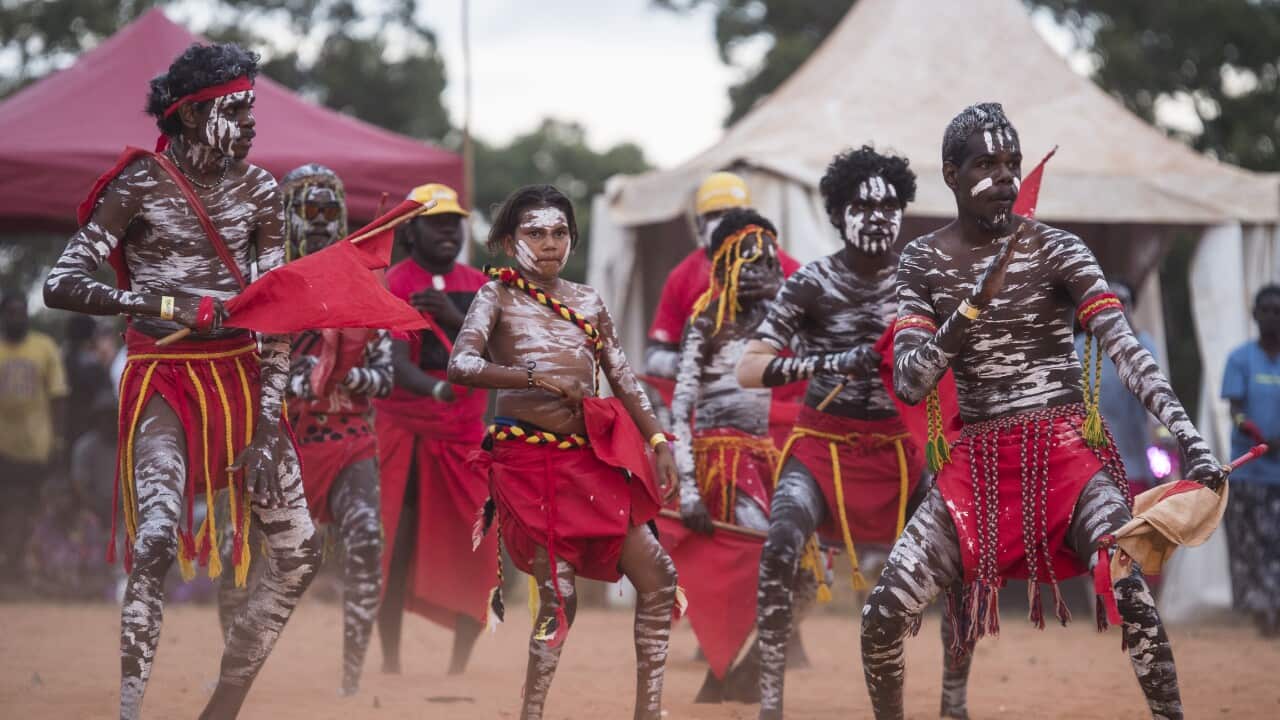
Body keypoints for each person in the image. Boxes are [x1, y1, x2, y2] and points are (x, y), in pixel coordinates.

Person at [861, 102, 1227, 720]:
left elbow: (1124, 348)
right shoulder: (923, 261)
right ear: (951, 174)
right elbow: (911, 378)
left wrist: (1191, 439)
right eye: (986, 163)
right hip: (972, 468)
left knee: (1131, 591)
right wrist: (973, 306)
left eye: (1012, 164)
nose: (1004, 177)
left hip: (1064, 456)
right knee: (880, 619)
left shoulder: (1060, 248)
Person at [43, 43, 320, 719]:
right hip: (163, 377)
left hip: (242, 378)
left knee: (299, 552)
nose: (252, 122)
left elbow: (275, 317)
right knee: (158, 539)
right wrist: (159, 304)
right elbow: (60, 283)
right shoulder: (137, 184)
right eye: (237, 108)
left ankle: (223, 705)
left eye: (253, 106)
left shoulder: (261, 192)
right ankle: (130, 711)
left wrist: (265, 428)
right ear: (192, 116)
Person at [735, 146, 970, 719]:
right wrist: (833, 362)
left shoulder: (926, 281)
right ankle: (771, 703)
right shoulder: (811, 282)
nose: (877, 217)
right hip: (822, 449)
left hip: (905, 450)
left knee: (962, 551)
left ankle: (953, 703)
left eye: (889, 205)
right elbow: (749, 367)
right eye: (862, 206)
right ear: (838, 215)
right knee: (781, 542)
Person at [449, 184, 679, 720]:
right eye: (535, 233)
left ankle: (649, 712)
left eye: (559, 233)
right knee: (560, 596)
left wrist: (658, 440)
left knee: (660, 576)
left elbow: (622, 376)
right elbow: (460, 365)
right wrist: (535, 376)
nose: (549, 244)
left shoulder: (588, 301)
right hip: (530, 467)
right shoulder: (496, 296)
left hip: (589, 462)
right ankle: (532, 713)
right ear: (510, 242)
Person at [216, 164, 391, 696]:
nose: (319, 222)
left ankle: (351, 682)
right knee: (236, 559)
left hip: (347, 442)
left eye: (329, 211)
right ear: (289, 216)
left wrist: (338, 374)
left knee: (366, 541)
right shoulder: (264, 283)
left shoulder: (361, 283)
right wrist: (287, 379)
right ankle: (238, 674)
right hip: (273, 442)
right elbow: (236, 363)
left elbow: (382, 377)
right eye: (309, 211)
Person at [666, 208, 799, 703]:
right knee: (759, 557)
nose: (768, 271)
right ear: (723, 270)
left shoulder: (781, 325)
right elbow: (681, 411)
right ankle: (722, 674)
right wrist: (690, 490)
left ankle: (730, 675)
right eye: (753, 262)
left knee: (798, 566)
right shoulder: (705, 323)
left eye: (772, 261)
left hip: (767, 458)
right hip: (721, 461)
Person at [374, 182, 496, 675]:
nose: (449, 231)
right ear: (411, 231)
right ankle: (390, 664)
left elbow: (501, 352)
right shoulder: (396, 283)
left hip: (465, 437)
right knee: (396, 549)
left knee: (476, 549)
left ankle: (459, 669)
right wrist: (437, 390)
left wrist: (456, 315)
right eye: (437, 222)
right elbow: (396, 363)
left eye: (455, 223)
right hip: (407, 432)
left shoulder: (483, 285)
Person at [644, 171, 801, 379]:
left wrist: (781, 298)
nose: (726, 223)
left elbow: (822, 341)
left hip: (782, 400)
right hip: (711, 404)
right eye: (714, 215)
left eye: (734, 213)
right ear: (699, 224)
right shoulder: (682, 277)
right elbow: (653, 356)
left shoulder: (785, 267)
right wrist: (692, 363)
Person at [1221, 283, 1280, 636]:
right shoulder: (1239, 359)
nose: (1272, 317)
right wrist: (1256, 433)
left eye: (1278, 310)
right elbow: (1236, 410)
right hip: (1249, 471)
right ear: (1255, 315)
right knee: (1251, 546)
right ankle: (1261, 611)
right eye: (1266, 310)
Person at [0, 291, 68, 586]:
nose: (17, 317)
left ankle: (25, 570)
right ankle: (10, 568)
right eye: (11, 312)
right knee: (8, 509)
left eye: (21, 311)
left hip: (38, 447)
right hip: (2, 448)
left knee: (32, 509)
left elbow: (59, 397)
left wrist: (59, 440)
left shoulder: (44, 347)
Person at [1074, 280, 1163, 497]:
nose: (1116, 309)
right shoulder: (1080, 346)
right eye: (1109, 302)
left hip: (1137, 459)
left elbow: (1156, 395)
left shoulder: (1142, 344)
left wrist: (1164, 436)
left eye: (1123, 302)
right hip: (1096, 461)